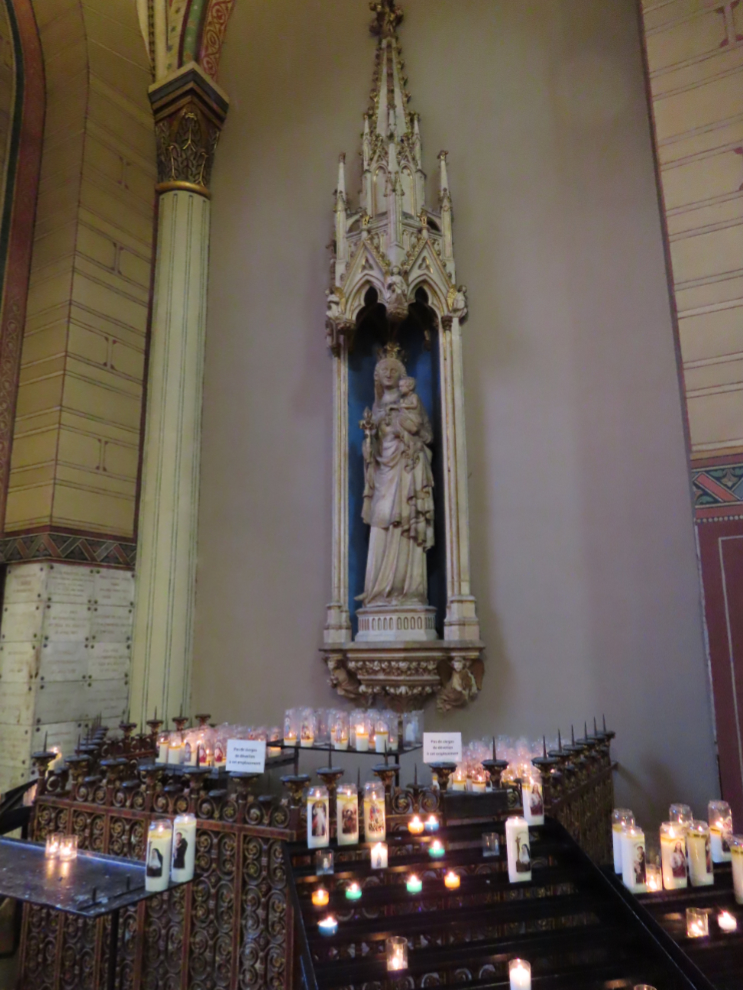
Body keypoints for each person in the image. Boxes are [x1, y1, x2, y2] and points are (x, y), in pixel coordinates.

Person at [358, 345, 434, 607]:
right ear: (377, 376)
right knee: (380, 525)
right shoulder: (375, 409)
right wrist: (369, 438)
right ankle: (378, 591)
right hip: (383, 474)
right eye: (383, 370)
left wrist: (407, 432)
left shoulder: (411, 403)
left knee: (405, 527)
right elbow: (369, 454)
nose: (388, 373)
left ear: (402, 376)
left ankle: (409, 591)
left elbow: (427, 436)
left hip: (406, 472)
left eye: (394, 369)